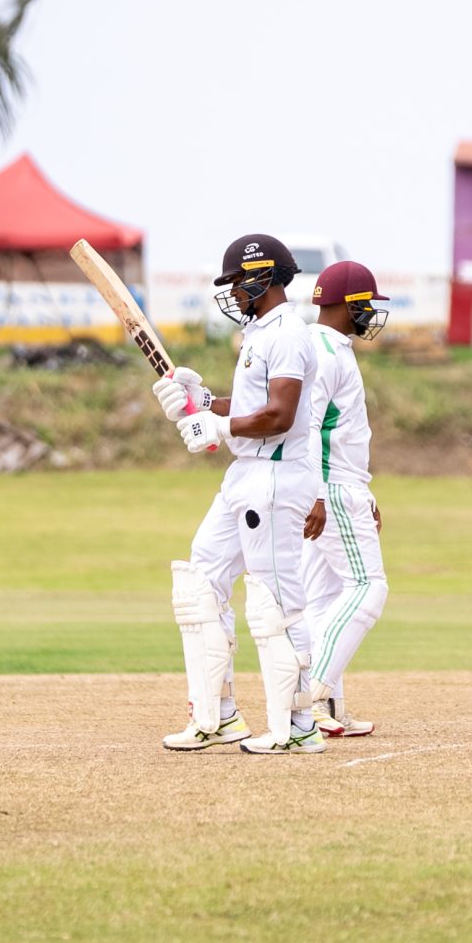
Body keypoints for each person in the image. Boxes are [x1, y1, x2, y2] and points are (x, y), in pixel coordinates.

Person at [154, 234, 323, 754]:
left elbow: (280, 414)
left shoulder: (289, 334)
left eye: (235, 283)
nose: (231, 293)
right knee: (200, 583)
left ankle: (298, 728)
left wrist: (218, 427)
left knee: (275, 601)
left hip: (275, 477)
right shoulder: (259, 333)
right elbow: (251, 402)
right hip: (244, 478)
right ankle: (217, 717)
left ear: (261, 279)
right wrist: (202, 400)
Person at [300, 261, 391, 738]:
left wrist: (366, 488)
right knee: (368, 588)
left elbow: (344, 433)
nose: (371, 313)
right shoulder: (326, 352)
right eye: (366, 304)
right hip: (331, 489)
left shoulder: (332, 348)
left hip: (340, 484)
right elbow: (310, 427)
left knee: (324, 600)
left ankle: (327, 707)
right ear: (344, 304)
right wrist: (319, 493)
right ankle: (310, 693)